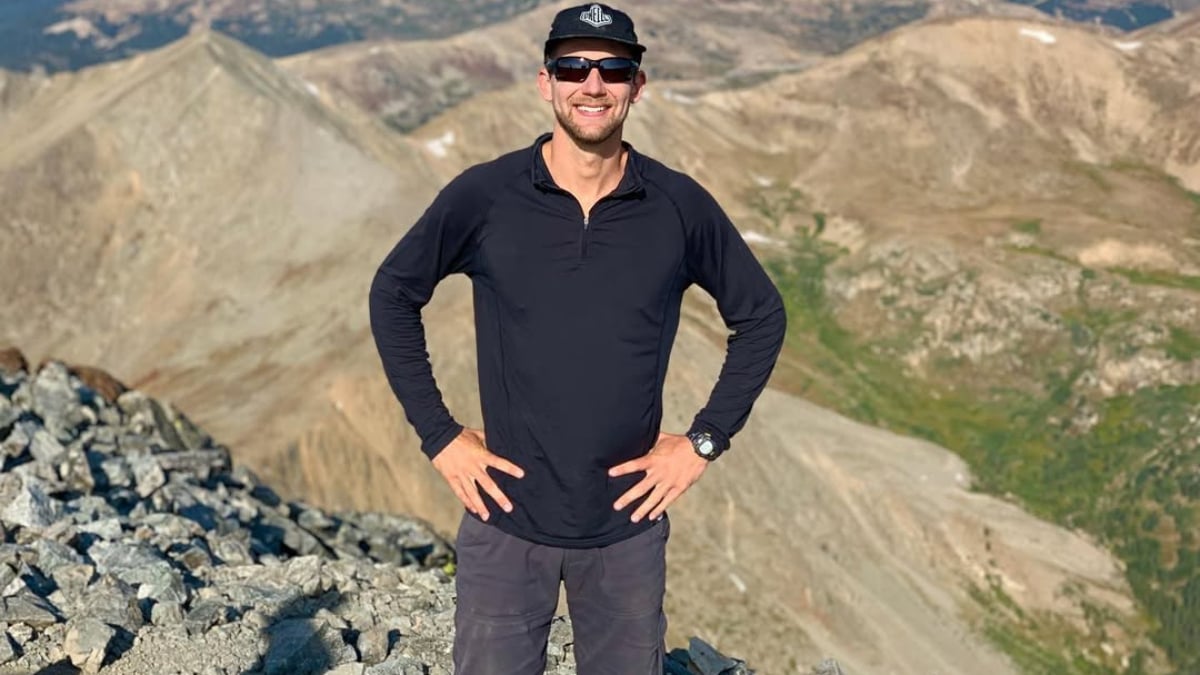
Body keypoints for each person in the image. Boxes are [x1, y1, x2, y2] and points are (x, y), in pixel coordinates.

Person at [368, 3, 786, 673]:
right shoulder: (487, 195)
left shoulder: (678, 206)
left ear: (637, 86)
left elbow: (761, 315)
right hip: (505, 522)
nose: (593, 84)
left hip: (625, 532)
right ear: (546, 82)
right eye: (574, 67)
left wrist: (703, 442)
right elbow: (393, 292)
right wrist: (440, 436)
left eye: (613, 69)